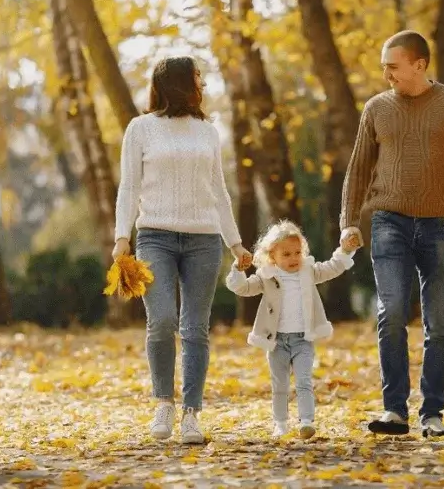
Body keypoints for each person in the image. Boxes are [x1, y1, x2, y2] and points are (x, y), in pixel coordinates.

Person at [339, 30, 444, 437]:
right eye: (384, 67)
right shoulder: (376, 108)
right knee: (390, 312)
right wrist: (349, 221)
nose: (387, 74)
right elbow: (358, 170)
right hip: (389, 220)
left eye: (393, 66)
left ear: (419, 64)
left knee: (438, 323)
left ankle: (432, 414)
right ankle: (394, 410)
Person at [112, 55, 253, 444]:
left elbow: (219, 191)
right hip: (154, 235)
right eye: (196, 78)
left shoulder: (207, 132)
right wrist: (122, 235)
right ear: (178, 84)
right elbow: (129, 187)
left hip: (203, 241)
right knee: (160, 322)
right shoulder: (140, 129)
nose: (202, 84)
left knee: (195, 328)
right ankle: (164, 403)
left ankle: (191, 413)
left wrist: (235, 242)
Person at [225, 220, 360, 439]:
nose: (293, 258)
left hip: (302, 340)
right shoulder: (266, 276)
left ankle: (306, 421)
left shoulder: (309, 271)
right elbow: (243, 288)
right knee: (279, 385)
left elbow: (333, 267)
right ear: (272, 256)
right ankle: (280, 423)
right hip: (277, 341)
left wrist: (345, 250)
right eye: (286, 254)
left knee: (304, 381)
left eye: (297, 252)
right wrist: (237, 270)